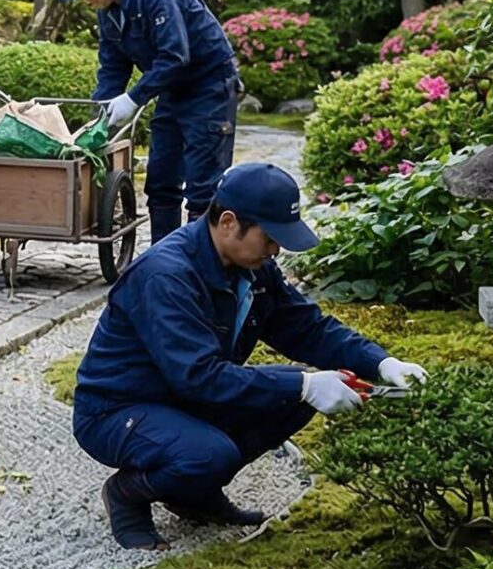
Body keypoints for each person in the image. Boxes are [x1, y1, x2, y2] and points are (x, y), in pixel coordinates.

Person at [72, 162, 428, 549]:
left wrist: (382, 363)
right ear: (228, 222)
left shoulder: (254, 270)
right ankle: (128, 493)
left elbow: (309, 328)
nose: (275, 249)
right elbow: (199, 376)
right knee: (212, 451)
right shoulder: (166, 276)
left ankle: (191, 493)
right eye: (270, 237)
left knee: (289, 398)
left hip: (181, 399)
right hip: (117, 410)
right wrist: (305, 384)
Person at [58, 0, 243, 240]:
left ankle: (203, 269)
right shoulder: (108, 13)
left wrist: (133, 98)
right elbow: (112, 68)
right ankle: (164, 260)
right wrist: (100, 115)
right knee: (161, 181)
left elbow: (174, 56)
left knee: (202, 186)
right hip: (172, 89)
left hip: (209, 85)